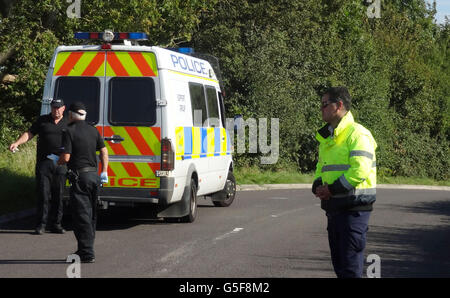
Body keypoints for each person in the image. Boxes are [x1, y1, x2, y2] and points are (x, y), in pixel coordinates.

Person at [312, 87, 377, 278]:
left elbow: (360, 170)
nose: (321, 108)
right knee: (341, 267)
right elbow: (321, 167)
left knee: (350, 268)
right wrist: (317, 186)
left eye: (325, 104)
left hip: (354, 210)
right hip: (334, 208)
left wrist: (331, 189)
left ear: (339, 105)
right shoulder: (328, 137)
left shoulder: (358, 134)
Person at [58, 102, 108, 263]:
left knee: (81, 216)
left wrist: (56, 161)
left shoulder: (69, 131)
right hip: (94, 177)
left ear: (71, 115)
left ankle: (87, 253)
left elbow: (66, 157)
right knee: (91, 215)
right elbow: (104, 151)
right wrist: (104, 171)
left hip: (80, 179)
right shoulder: (93, 130)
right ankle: (83, 249)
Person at [9, 99, 68, 235]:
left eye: (59, 108)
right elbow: (29, 133)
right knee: (43, 194)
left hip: (60, 163)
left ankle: (56, 224)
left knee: (58, 195)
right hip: (44, 163)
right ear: (51, 108)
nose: (56, 110)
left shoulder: (68, 123)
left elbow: (75, 140)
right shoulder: (42, 120)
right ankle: (41, 225)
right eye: (54, 108)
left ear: (63, 108)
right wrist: (17, 143)